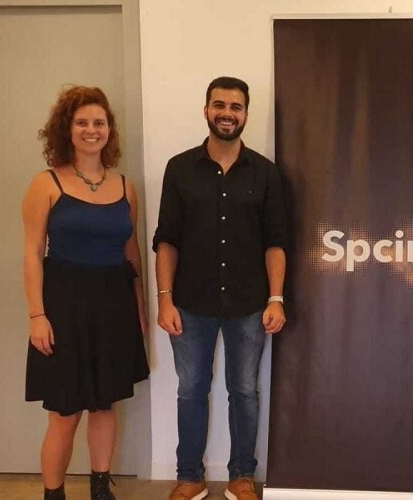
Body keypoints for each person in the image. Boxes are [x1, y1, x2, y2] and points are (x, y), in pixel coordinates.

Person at [154, 76, 287, 500]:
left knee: (244, 391)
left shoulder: (265, 173)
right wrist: (164, 299)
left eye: (235, 107)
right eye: (220, 105)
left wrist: (276, 298)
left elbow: (275, 242)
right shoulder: (179, 169)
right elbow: (167, 240)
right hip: (190, 304)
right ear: (206, 110)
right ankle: (190, 477)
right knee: (191, 390)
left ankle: (241, 476)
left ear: (245, 114)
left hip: (249, 304)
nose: (227, 113)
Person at [23, 85, 150, 500]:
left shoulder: (125, 187)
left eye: (99, 122)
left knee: (105, 404)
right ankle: (53, 494)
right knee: (64, 412)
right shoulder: (45, 184)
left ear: (109, 130)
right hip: (63, 308)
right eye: (82, 122)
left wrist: (140, 314)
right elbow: (31, 255)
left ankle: (100, 488)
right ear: (67, 128)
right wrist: (37, 315)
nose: (91, 130)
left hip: (114, 305)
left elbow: (132, 256)